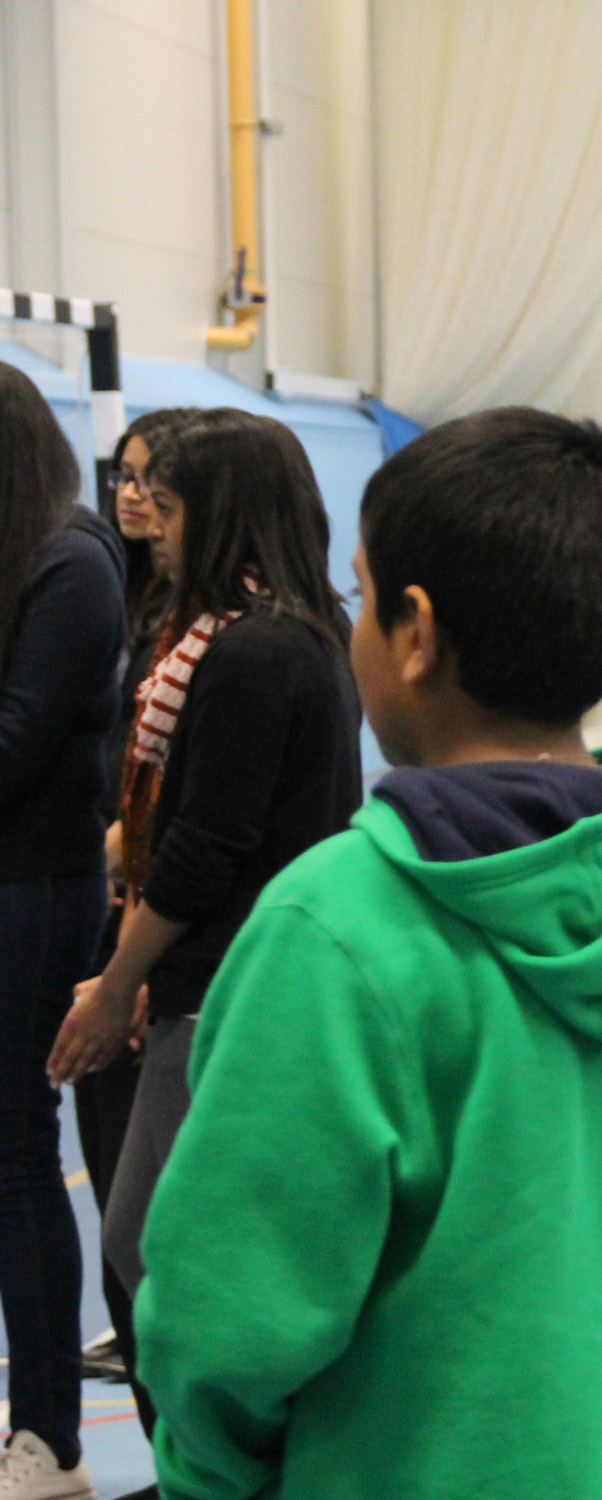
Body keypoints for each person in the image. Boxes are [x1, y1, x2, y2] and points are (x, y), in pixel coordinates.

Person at [128, 407, 602, 1500]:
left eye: (362, 592)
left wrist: (207, 1476)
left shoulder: (338, 923)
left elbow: (227, 1313)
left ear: (416, 629)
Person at [45, 407, 366, 1443]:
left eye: (172, 503)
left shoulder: (257, 653)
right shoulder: (248, 641)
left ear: (222, 512)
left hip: (232, 985)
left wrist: (112, 984)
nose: (153, 521)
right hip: (212, 979)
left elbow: (202, 850)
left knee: (160, 1246)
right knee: (160, 1245)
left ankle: (245, 1461)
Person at [0, 361, 126, 1498]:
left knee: (17, 1150)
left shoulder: (71, 562)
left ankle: (49, 1437)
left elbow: (16, 743)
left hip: (36, 894)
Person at [76, 407, 193, 1396]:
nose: (132, 491)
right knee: (121, 1195)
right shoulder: (125, 595)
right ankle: (143, 1344)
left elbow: (210, 823)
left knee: (157, 1206)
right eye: (122, 473)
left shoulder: (238, 639)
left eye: (153, 477)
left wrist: (125, 844)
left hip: (175, 937)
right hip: (120, 899)